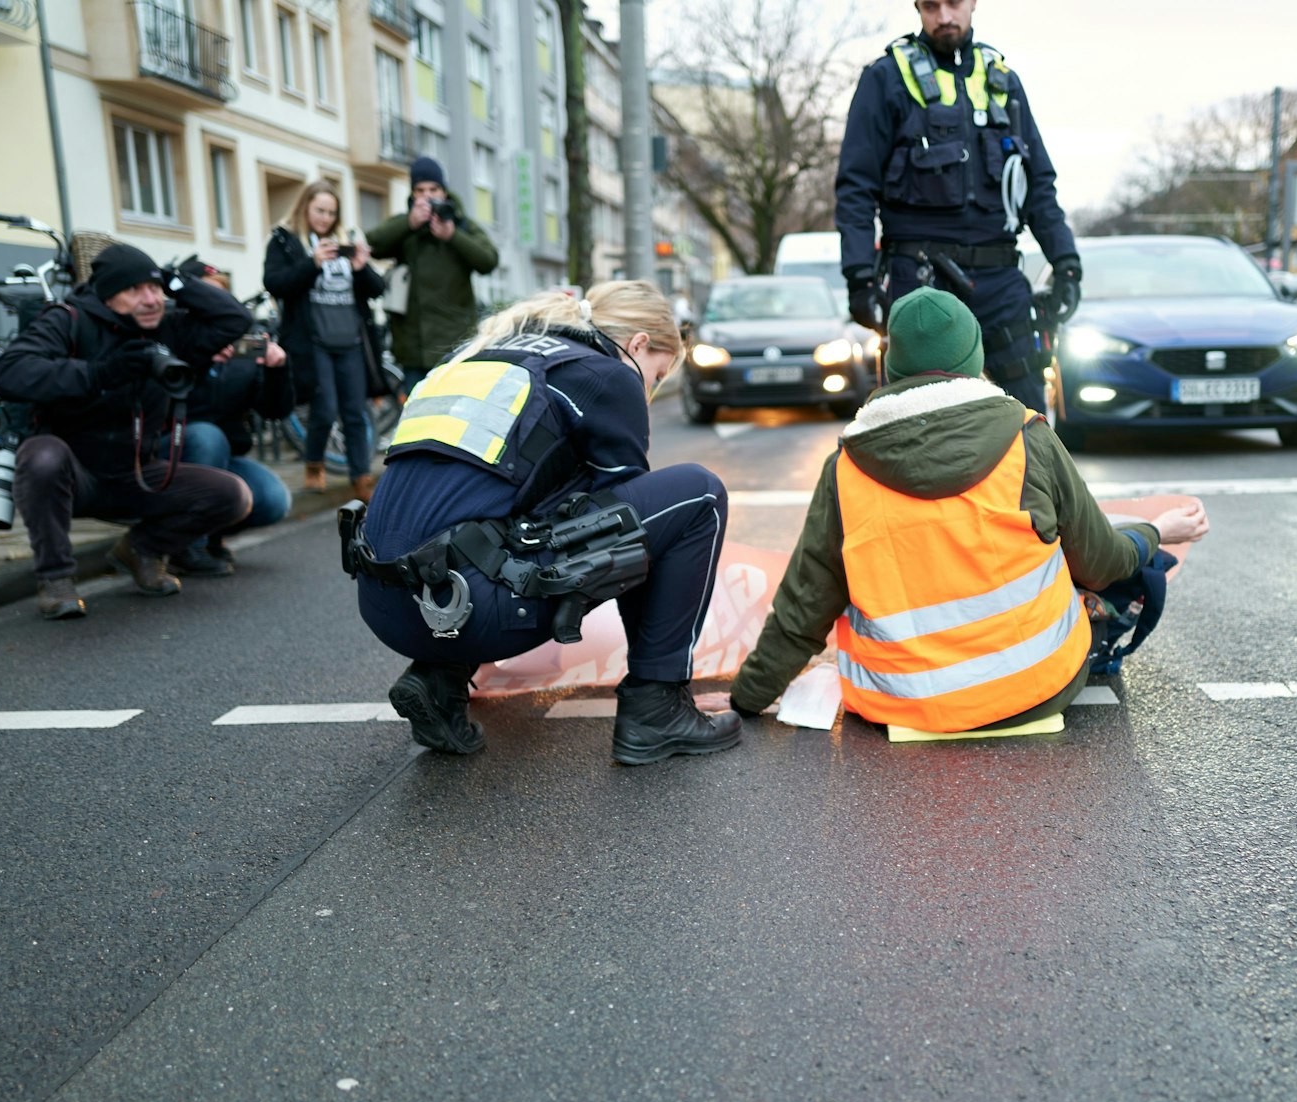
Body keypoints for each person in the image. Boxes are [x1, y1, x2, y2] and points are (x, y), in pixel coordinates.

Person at [728, 288, 1209, 733]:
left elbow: (804, 607)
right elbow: (1103, 563)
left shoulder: (846, 467)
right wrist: (1154, 532)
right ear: (974, 359)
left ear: (889, 365)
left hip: (899, 703)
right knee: (1112, 556)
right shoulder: (1028, 437)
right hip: (1035, 688)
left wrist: (746, 700)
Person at [346, 281, 741, 766]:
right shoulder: (604, 374)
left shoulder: (484, 359)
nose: (650, 390)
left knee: (482, 522)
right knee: (696, 495)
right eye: (656, 375)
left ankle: (439, 678)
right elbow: (626, 528)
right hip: (468, 611)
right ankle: (656, 706)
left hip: (387, 608)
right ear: (638, 345)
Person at [835, 0, 1082, 414]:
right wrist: (859, 278)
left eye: (954, 3)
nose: (944, 16)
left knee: (1025, 415)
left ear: (973, 4)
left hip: (1000, 277)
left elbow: (1039, 184)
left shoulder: (1004, 80)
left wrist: (1067, 265)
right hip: (921, 277)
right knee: (917, 416)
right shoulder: (886, 78)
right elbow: (855, 187)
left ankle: (1028, 481)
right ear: (918, 8)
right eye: (932, 6)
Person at [0, 243, 255, 619]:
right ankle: (56, 579)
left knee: (234, 496)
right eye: (134, 289)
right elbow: (10, 371)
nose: (150, 300)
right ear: (107, 294)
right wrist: (100, 373)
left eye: (154, 289)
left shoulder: (168, 328)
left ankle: (142, 551)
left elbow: (234, 319)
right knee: (42, 454)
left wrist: (170, 279)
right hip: (74, 476)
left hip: (136, 475)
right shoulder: (68, 319)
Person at [162, 264, 295, 575]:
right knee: (207, 437)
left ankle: (209, 536)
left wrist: (278, 369)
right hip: (172, 454)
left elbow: (275, 410)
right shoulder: (174, 336)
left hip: (223, 457)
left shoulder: (242, 356)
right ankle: (187, 547)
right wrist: (200, 357)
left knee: (274, 499)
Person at [266, 180, 386, 503]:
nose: (325, 218)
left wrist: (361, 268)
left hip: (350, 342)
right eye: (319, 210)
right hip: (313, 342)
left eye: (331, 212)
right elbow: (275, 283)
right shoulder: (286, 241)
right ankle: (314, 463)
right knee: (325, 409)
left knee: (354, 412)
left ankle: (361, 477)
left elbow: (377, 289)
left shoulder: (345, 240)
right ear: (305, 206)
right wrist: (312, 263)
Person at [365, 156, 501, 397]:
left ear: (444, 191)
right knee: (417, 417)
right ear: (412, 194)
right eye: (420, 190)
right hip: (413, 346)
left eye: (433, 189)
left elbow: (488, 261)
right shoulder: (406, 225)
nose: (427, 196)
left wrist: (453, 236)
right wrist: (410, 223)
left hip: (454, 343)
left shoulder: (462, 224)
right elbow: (374, 244)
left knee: (455, 414)